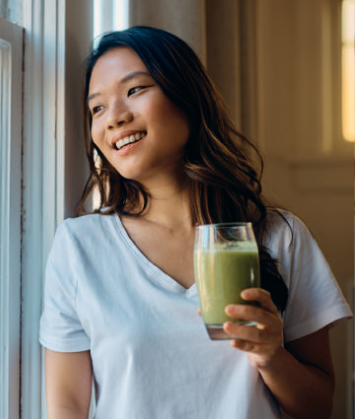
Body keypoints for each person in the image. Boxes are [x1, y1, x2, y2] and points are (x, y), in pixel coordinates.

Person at [40, 26, 352, 419]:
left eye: (134, 90)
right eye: (97, 108)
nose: (114, 118)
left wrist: (272, 356)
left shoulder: (279, 236)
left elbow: (319, 406)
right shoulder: (79, 246)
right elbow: (66, 407)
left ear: (187, 97)